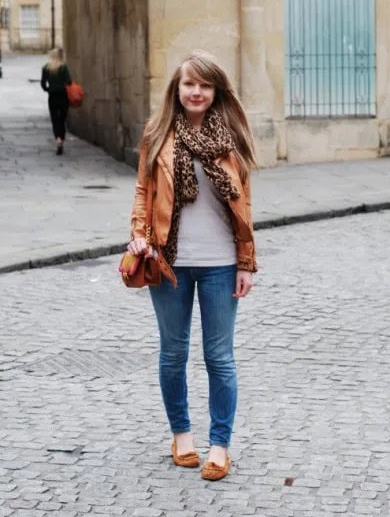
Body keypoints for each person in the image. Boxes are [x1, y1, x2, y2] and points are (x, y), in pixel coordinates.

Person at [128, 50, 257, 481]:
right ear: (177, 89)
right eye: (189, 84)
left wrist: (246, 262)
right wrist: (140, 235)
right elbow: (143, 194)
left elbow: (245, 204)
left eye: (204, 85)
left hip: (221, 262)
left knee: (220, 357)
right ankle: (181, 434)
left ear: (216, 90)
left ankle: (220, 445)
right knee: (174, 353)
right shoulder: (158, 134)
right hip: (169, 262)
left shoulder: (233, 137)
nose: (196, 91)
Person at [41, 48, 71, 155]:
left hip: (52, 96)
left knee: (54, 120)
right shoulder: (63, 67)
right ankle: (61, 140)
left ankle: (57, 138)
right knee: (62, 119)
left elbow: (43, 84)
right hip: (63, 96)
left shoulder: (46, 68)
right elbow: (69, 82)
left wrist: (48, 89)